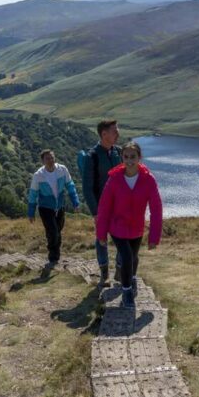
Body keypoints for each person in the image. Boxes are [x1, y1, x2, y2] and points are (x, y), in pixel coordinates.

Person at [96, 141, 162, 308]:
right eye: (126, 156)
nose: (129, 160)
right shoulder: (114, 179)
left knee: (133, 257)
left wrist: (154, 237)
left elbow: (156, 208)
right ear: (122, 158)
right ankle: (126, 292)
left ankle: (131, 278)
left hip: (137, 228)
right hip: (117, 227)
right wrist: (101, 234)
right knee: (126, 257)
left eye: (133, 156)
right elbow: (104, 208)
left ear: (139, 157)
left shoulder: (148, 179)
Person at [82, 119, 122, 286]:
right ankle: (104, 273)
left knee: (123, 239)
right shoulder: (92, 156)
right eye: (114, 131)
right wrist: (95, 212)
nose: (117, 133)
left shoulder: (118, 152)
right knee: (101, 240)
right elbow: (87, 187)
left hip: (120, 206)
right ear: (104, 134)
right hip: (102, 208)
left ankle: (120, 272)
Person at [28, 149, 80, 271]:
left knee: (58, 230)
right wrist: (31, 212)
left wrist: (75, 202)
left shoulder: (62, 170)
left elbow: (70, 185)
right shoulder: (38, 175)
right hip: (45, 208)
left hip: (59, 206)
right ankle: (53, 256)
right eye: (47, 158)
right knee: (53, 231)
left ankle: (55, 251)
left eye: (52, 157)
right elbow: (33, 194)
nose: (50, 160)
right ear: (43, 161)